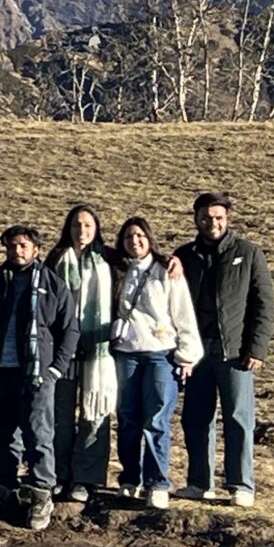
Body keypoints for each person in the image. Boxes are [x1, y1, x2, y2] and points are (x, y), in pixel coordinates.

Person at [0, 225, 80, 530]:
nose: (17, 251)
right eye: (11, 246)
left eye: (23, 246)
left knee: (38, 435)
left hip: (36, 374)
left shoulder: (53, 285)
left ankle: (42, 497)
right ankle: (6, 495)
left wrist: (55, 368)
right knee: (4, 437)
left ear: (35, 250)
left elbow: (70, 329)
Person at [173, 193, 274, 509]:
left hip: (235, 352)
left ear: (227, 218)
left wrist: (256, 348)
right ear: (196, 219)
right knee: (196, 418)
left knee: (238, 418)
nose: (212, 223)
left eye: (218, 217)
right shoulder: (184, 256)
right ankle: (200, 483)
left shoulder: (248, 253)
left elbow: (263, 304)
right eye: (206, 217)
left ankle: (241, 484)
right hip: (197, 352)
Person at [108, 217, 200, 510]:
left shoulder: (166, 271)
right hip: (126, 353)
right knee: (128, 418)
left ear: (149, 238)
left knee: (157, 419)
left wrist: (187, 355)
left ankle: (158, 481)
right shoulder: (116, 271)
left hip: (161, 353)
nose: (134, 242)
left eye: (139, 236)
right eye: (128, 237)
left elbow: (183, 313)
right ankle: (130, 479)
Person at [46, 206, 116, 502]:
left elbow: (146, 260)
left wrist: (169, 260)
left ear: (97, 228)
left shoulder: (110, 259)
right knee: (60, 413)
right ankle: (59, 473)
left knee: (94, 412)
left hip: (99, 351)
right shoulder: (55, 259)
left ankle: (86, 479)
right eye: (76, 224)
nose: (82, 230)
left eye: (88, 225)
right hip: (63, 350)